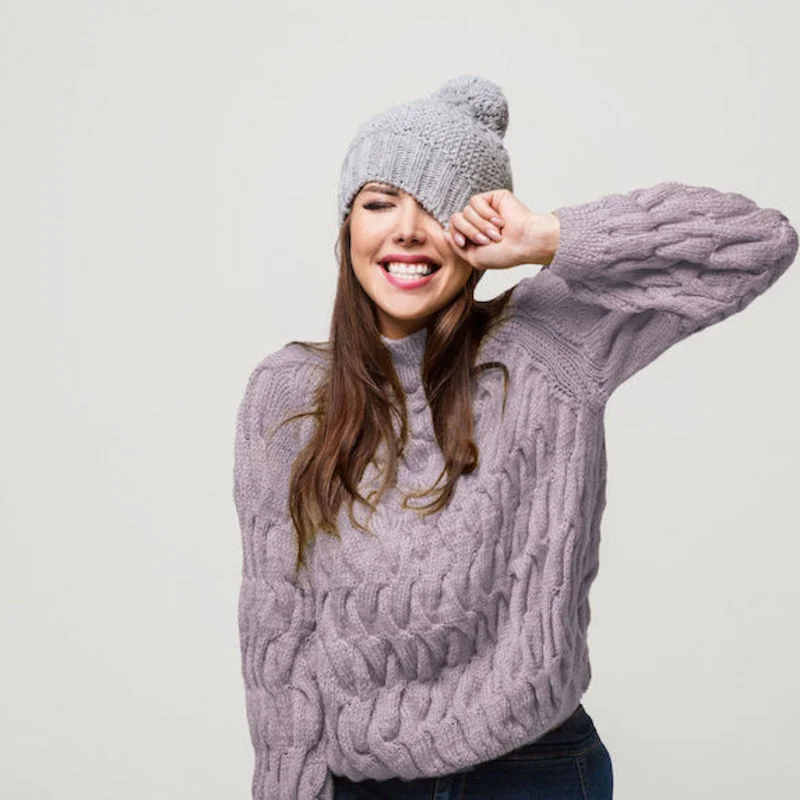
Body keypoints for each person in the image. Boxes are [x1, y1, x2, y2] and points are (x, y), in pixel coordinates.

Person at [232, 75, 798, 800]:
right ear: (347, 229)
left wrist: (548, 238)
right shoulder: (287, 394)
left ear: (483, 230)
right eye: (379, 203)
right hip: (361, 784)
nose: (407, 229)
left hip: (531, 772)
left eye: (439, 208)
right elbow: (277, 632)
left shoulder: (547, 340)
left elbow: (757, 244)